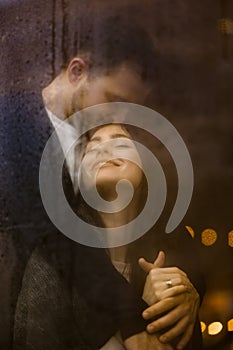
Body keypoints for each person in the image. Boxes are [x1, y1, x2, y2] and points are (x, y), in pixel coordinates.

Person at [14, 123, 205, 350]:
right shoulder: (52, 261)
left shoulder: (173, 261)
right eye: (92, 148)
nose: (103, 150)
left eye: (120, 142)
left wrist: (175, 298)